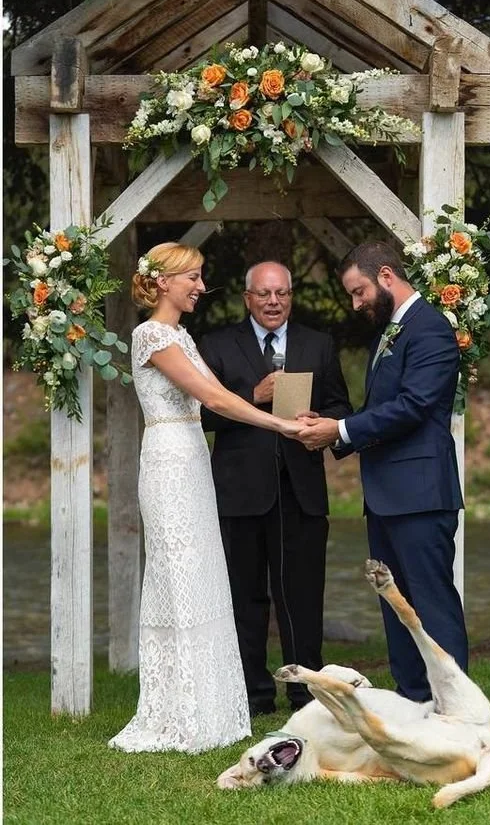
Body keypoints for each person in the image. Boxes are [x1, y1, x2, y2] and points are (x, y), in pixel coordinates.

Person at [108, 243, 301, 753]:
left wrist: (276, 408)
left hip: (194, 457)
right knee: (178, 574)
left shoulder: (181, 336)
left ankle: (211, 705)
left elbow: (224, 394)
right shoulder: (150, 334)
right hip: (169, 459)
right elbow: (215, 399)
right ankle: (178, 709)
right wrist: (281, 423)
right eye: (192, 277)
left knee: (204, 574)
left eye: (200, 277)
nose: (199, 286)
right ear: (164, 282)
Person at [297, 242, 467, 703]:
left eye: (359, 292)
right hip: (388, 495)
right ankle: (414, 699)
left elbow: (413, 407)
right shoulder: (389, 332)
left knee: (431, 603)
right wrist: (332, 429)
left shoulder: (429, 328)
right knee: (396, 605)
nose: (356, 304)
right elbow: (380, 411)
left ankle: (454, 708)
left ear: (387, 276)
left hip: (421, 494)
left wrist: (342, 428)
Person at [198, 261, 352, 716]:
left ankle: (307, 694)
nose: (273, 302)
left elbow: (341, 405)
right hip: (240, 494)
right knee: (245, 598)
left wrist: (320, 421)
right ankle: (252, 694)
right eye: (264, 294)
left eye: (282, 293)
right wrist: (253, 398)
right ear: (247, 298)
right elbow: (202, 417)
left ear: (291, 296)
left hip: (301, 492)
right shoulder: (218, 345)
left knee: (302, 597)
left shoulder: (318, 344)